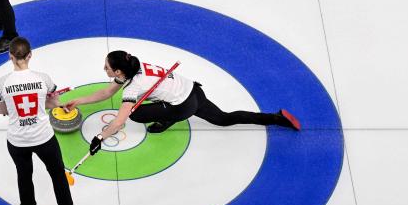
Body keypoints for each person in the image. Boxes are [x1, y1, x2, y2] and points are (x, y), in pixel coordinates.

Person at [63, 50, 301, 155]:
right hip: (194, 91)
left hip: (184, 105)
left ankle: (166, 120)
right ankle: (276, 117)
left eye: (106, 67)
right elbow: (106, 93)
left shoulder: (134, 86)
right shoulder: (134, 67)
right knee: (224, 119)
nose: (103, 69)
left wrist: (100, 138)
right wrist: (78, 101)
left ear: (117, 70)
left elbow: (119, 122)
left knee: (135, 113)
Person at [0, 37, 84, 205]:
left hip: (17, 140)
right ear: (30, 55)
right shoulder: (43, 79)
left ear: (10, 56)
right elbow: (52, 102)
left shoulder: (2, 83)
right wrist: (57, 103)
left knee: (24, 175)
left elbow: (3, 111)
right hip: (44, 138)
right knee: (58, 174)